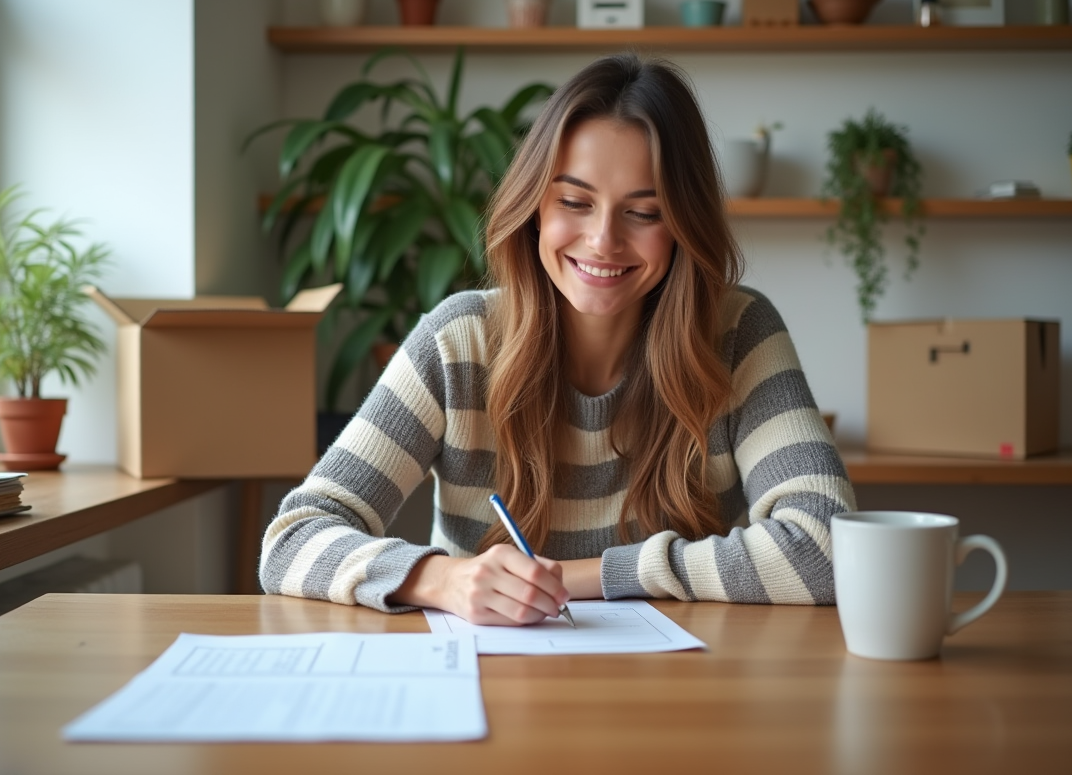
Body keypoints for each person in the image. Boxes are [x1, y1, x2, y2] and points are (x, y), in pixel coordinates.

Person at [260, 53, 856, 626]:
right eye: (575, 201)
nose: (602, 241)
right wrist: (442, 580)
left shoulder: (738, 333)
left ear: (682, 225)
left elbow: (825, 546)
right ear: (535, 208)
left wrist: (582, 576)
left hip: (682, 699)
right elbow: (294, 539)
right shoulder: (457, 342)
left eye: (644, 213)